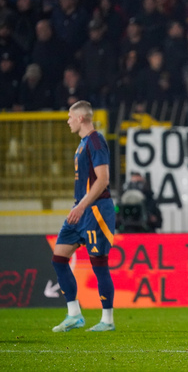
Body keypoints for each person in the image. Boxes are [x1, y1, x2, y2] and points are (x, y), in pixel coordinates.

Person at [51, 100, 116, 332]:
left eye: (70, 116)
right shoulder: (83, 144)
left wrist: (82, 206)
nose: (68, 121)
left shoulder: (96, 141)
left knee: (99, 264)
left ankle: (107, 320)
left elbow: (103, 179)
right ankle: (74, 314)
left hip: (96, 210)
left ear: (80, 118)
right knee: (59, 258)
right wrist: (78, 206)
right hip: (81, 210)